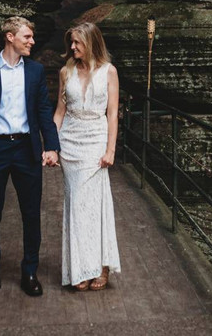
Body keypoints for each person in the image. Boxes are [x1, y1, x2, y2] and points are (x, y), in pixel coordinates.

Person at [0, 16, 61, 298]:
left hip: (26, 149)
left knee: (31, 213)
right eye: (27, 37)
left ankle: (29, 271)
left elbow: (44, 111)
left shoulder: (34, 71)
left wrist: (52, 146)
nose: (32, 41)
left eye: (31, 37)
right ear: (10, 37)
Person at [53, 21, 121, 291]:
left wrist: (110, 150)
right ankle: (80, 268)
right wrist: (49, 144)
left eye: (77, 43)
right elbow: (59, 112)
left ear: (92, 43)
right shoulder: (65, 71)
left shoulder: (109, 72)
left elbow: (112, 114)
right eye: (71, 42)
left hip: (95, 142)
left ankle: (102, 267)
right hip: (69, 143)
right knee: (76, 206)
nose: (72, 47)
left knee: (95, 206)